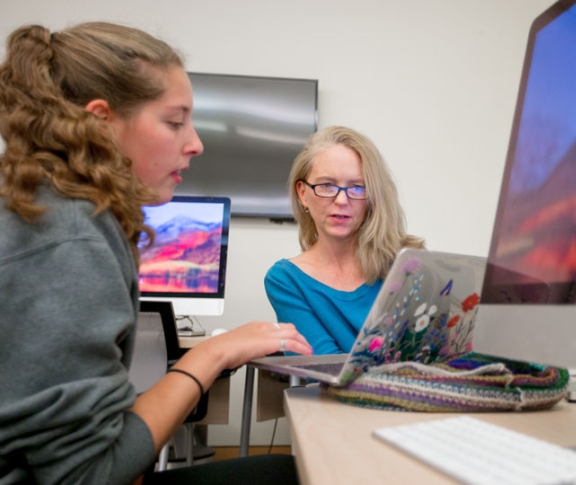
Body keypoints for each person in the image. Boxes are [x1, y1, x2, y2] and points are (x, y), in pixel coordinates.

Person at [0, 22, 312, 485]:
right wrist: (211, 354)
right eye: (174, 121)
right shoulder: (72, 239)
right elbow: (90, 475)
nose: (196, 143)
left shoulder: (55, 208)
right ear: (101, 122)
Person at [265, 126, 424, 355]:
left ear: (373, 196)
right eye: (326, 185)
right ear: (303, 194)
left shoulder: (408, 263)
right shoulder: (286, 280)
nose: (341, 200)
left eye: (357, 187)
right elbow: (323, 369)